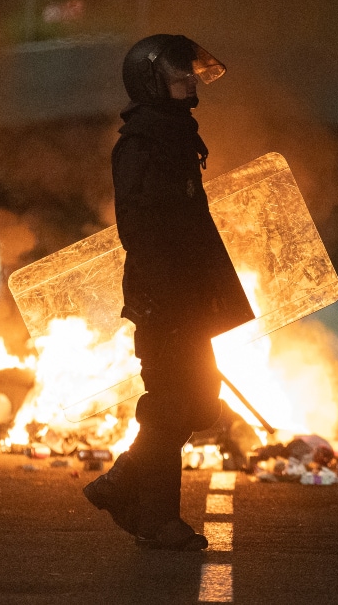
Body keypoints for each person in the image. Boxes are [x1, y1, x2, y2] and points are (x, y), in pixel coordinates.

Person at [83, 34, 254, 551]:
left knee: (199, 403)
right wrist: (163, 298)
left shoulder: (175, 135)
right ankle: (157, 519)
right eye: (179, 73)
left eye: (190, 72)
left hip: (187, 296)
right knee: (171, 403)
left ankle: (123, 482)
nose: (191, 80)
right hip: (164, 299)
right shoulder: (143, 142)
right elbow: (141, 227)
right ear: (151, 80)